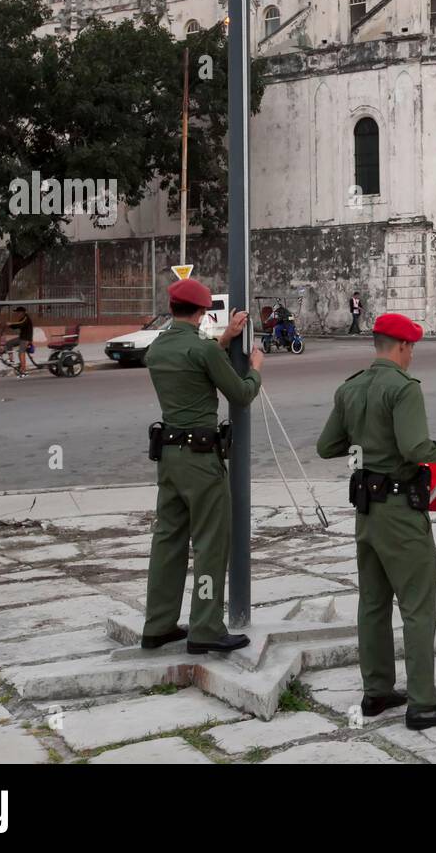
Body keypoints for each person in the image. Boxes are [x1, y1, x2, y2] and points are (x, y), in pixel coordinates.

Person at [316, 312, 436, 730]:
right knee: (419, 607)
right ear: (403, 347)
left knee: (373, 603)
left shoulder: (350, 388)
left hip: (366, 513)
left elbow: (326, 445)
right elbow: (415, 445)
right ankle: (423, 703)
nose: (412, 356)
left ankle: (377, 691)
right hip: (401, 513)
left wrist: (364, 445)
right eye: (412, 349)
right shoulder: (403, 389)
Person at [142, 277, 263, 654]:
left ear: (173, 308)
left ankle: (158, 624)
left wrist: (224, 339)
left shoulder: (158, 349)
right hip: (201, 460)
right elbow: (241, 393)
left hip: (169, 458)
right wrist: (255, 366)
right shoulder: (203, 350)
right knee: (211, 543)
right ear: (202, 311)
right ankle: (206, 628)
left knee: (168, 541)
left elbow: (195, 360)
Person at [4, 306, 34, 377]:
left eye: (18, 312)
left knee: (21, 353)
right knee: (8, 343)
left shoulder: (25, 318)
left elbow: (20, 324)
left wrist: (10, 324)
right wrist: (9, 326)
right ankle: (11, 359)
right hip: (21, 338)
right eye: (17, 312)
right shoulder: (22, 319)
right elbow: (16, 326)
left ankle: (23, 369)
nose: (17, 313)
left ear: (22, 312)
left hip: (26, 339)